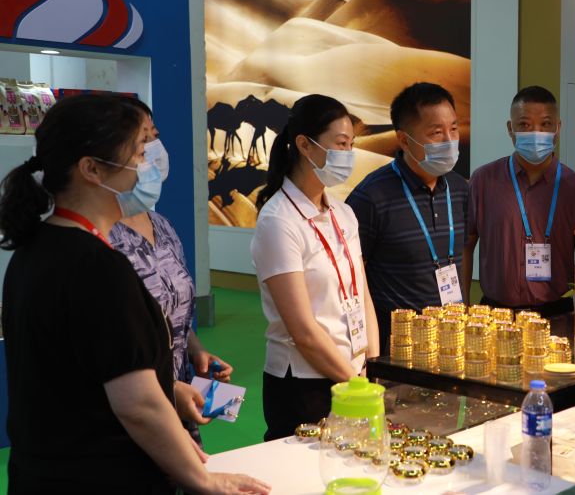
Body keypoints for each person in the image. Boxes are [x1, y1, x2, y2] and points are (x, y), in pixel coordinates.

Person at [0, 95, 268, 493]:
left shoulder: (34, 250)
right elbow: (138, 404)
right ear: (91, 169)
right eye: (140, 152)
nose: (149, 165)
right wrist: (202, 480)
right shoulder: (97, 266)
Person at [252, 94, 379, 441]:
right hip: (304, 384)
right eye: (341, 144)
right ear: (305, 145)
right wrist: (354, 384)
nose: (348, 154)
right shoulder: (278, 220)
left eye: (351, 145)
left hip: (354, 374)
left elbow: (362, 292)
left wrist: (371, 364)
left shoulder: (343, 213)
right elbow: (303, 331)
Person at [109, 97, 232, 444]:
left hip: (177, 400)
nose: (153, 150)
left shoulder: (161, 224)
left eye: (155, 136)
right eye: (142, 141)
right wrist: (165, 389)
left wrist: (195, 350)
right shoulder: (99, 239)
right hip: (130, 414)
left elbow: (172, 307)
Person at [346, 83, 469, 353]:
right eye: (436, 133)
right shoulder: (371, 197)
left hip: (451, 343)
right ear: (404, 140)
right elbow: (352, 278)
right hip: (398, 349)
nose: (449, 140)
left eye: (453, 129)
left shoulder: (460, 189)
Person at [462, 86, 575, 335]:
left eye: (545, 124)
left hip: (556, 318)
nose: (536, 133)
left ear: (558, 128)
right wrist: (464, 306)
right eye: (524, 125)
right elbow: (466, 246)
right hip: (495, 317)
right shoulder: (483, 181)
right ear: (510, 128)